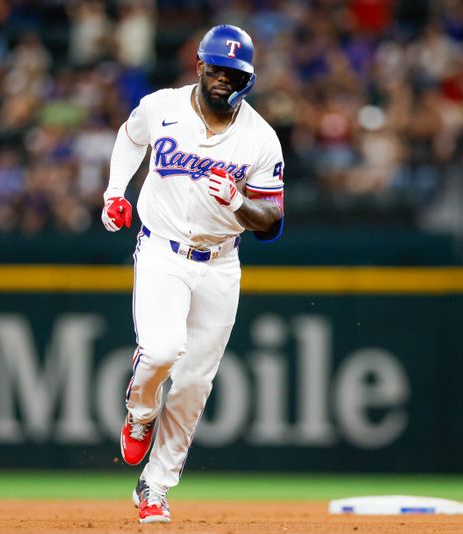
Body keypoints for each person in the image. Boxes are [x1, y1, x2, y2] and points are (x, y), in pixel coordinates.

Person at [101, 24, 284, 524]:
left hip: (221, 262)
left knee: (194, 384)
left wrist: (240, 202)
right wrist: (115, 192)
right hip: (161, 249)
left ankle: (156, 486)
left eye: (235, 72)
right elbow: (129, 136)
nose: (223, 78)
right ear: (200, 65)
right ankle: (140, 412)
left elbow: (272, 223)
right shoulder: (161, 107)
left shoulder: (261, 138)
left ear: (247, 77)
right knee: (161, 351)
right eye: (216, 67)